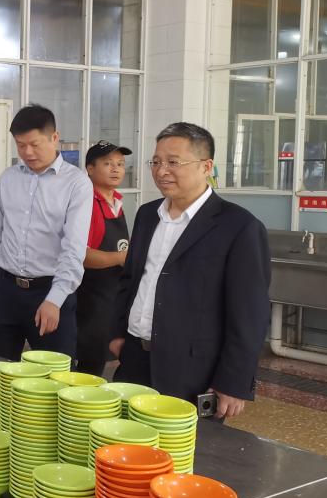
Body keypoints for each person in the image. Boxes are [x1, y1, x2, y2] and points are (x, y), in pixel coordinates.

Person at [109, 122, 271, 419]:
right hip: (134, 360)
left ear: (206, 166)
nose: (161, 171)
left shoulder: (238, 227)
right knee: (125, 441)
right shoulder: (148, 215)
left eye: (173, 162)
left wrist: (233, 381)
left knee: (187, 447)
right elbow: (131, 279)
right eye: (156, 162)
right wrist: (119, 334)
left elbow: (250, 314)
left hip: (192, 371)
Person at [0, 105, 90, 361]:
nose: (27, 152)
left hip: (49, 289)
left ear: (54, 137)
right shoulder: (9, 178)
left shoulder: (76, 183)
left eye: (34, 144)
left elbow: (74, 248)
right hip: (4, 289)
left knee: (53, 376)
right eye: (20, 145)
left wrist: (55, 300)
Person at [74, 141, 132, 376]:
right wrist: (122, 257)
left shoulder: (116, 201)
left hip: (112, 297)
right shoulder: (87, 203)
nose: (116, 169)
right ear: (90, 169)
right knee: (88, 367)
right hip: (89, 299)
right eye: (108, 164)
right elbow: (80, 255)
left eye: (120, 164)